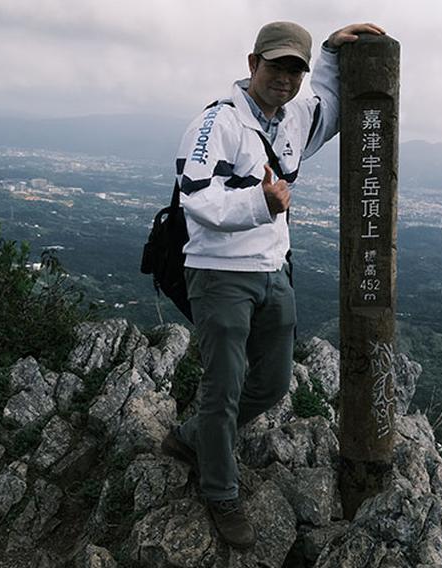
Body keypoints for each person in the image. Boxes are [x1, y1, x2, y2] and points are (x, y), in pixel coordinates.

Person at [161, 20, 386, 549]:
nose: (285, 77)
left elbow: (329, 103)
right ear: (251, 64)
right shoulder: (215, 123)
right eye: (276, 65)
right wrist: (259, 203)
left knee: (275, 382)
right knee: (223, 389)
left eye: (295, 69)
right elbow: (196, 195)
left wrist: (331, 50)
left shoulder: (294, 120)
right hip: (220, 274)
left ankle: (195, 439)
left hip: (273, 271)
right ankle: (220, 491)